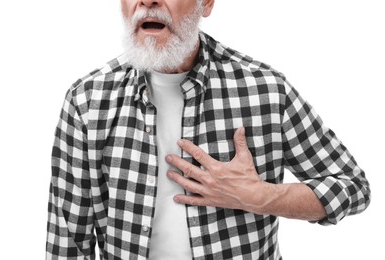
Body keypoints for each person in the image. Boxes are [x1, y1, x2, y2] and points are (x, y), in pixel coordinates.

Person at [46, 0, 371, 259]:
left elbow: (352, 187)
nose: (147, 1)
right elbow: (69, 240)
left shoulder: (265, 90)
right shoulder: (87, 101)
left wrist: (262, 197)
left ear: (207, 3)